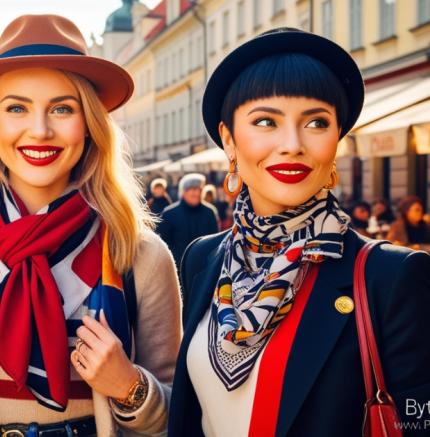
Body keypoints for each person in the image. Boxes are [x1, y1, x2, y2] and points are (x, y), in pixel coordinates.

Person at [0, 14, 182, 436]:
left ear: (89, 126)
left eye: (63, 108)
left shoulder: (139, 256)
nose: (40, 130)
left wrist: (130, 387)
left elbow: (179, 417)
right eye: (17, 108)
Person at [168, 28, 430, 437]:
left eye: (316, 122)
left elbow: (418, 420)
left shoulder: (391, 278)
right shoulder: (203, 258)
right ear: (228, 140)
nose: (292, 144)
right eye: (266, 121)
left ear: (336, 140)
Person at [158, 173, 220, 269]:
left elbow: (216, 242)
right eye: (193, 189)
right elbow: (164, 244)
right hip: (178, 269)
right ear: (184, 191)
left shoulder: (209, 212)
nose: (197, 193)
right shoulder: (169, 214)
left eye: (199, 189)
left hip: (205, 269)